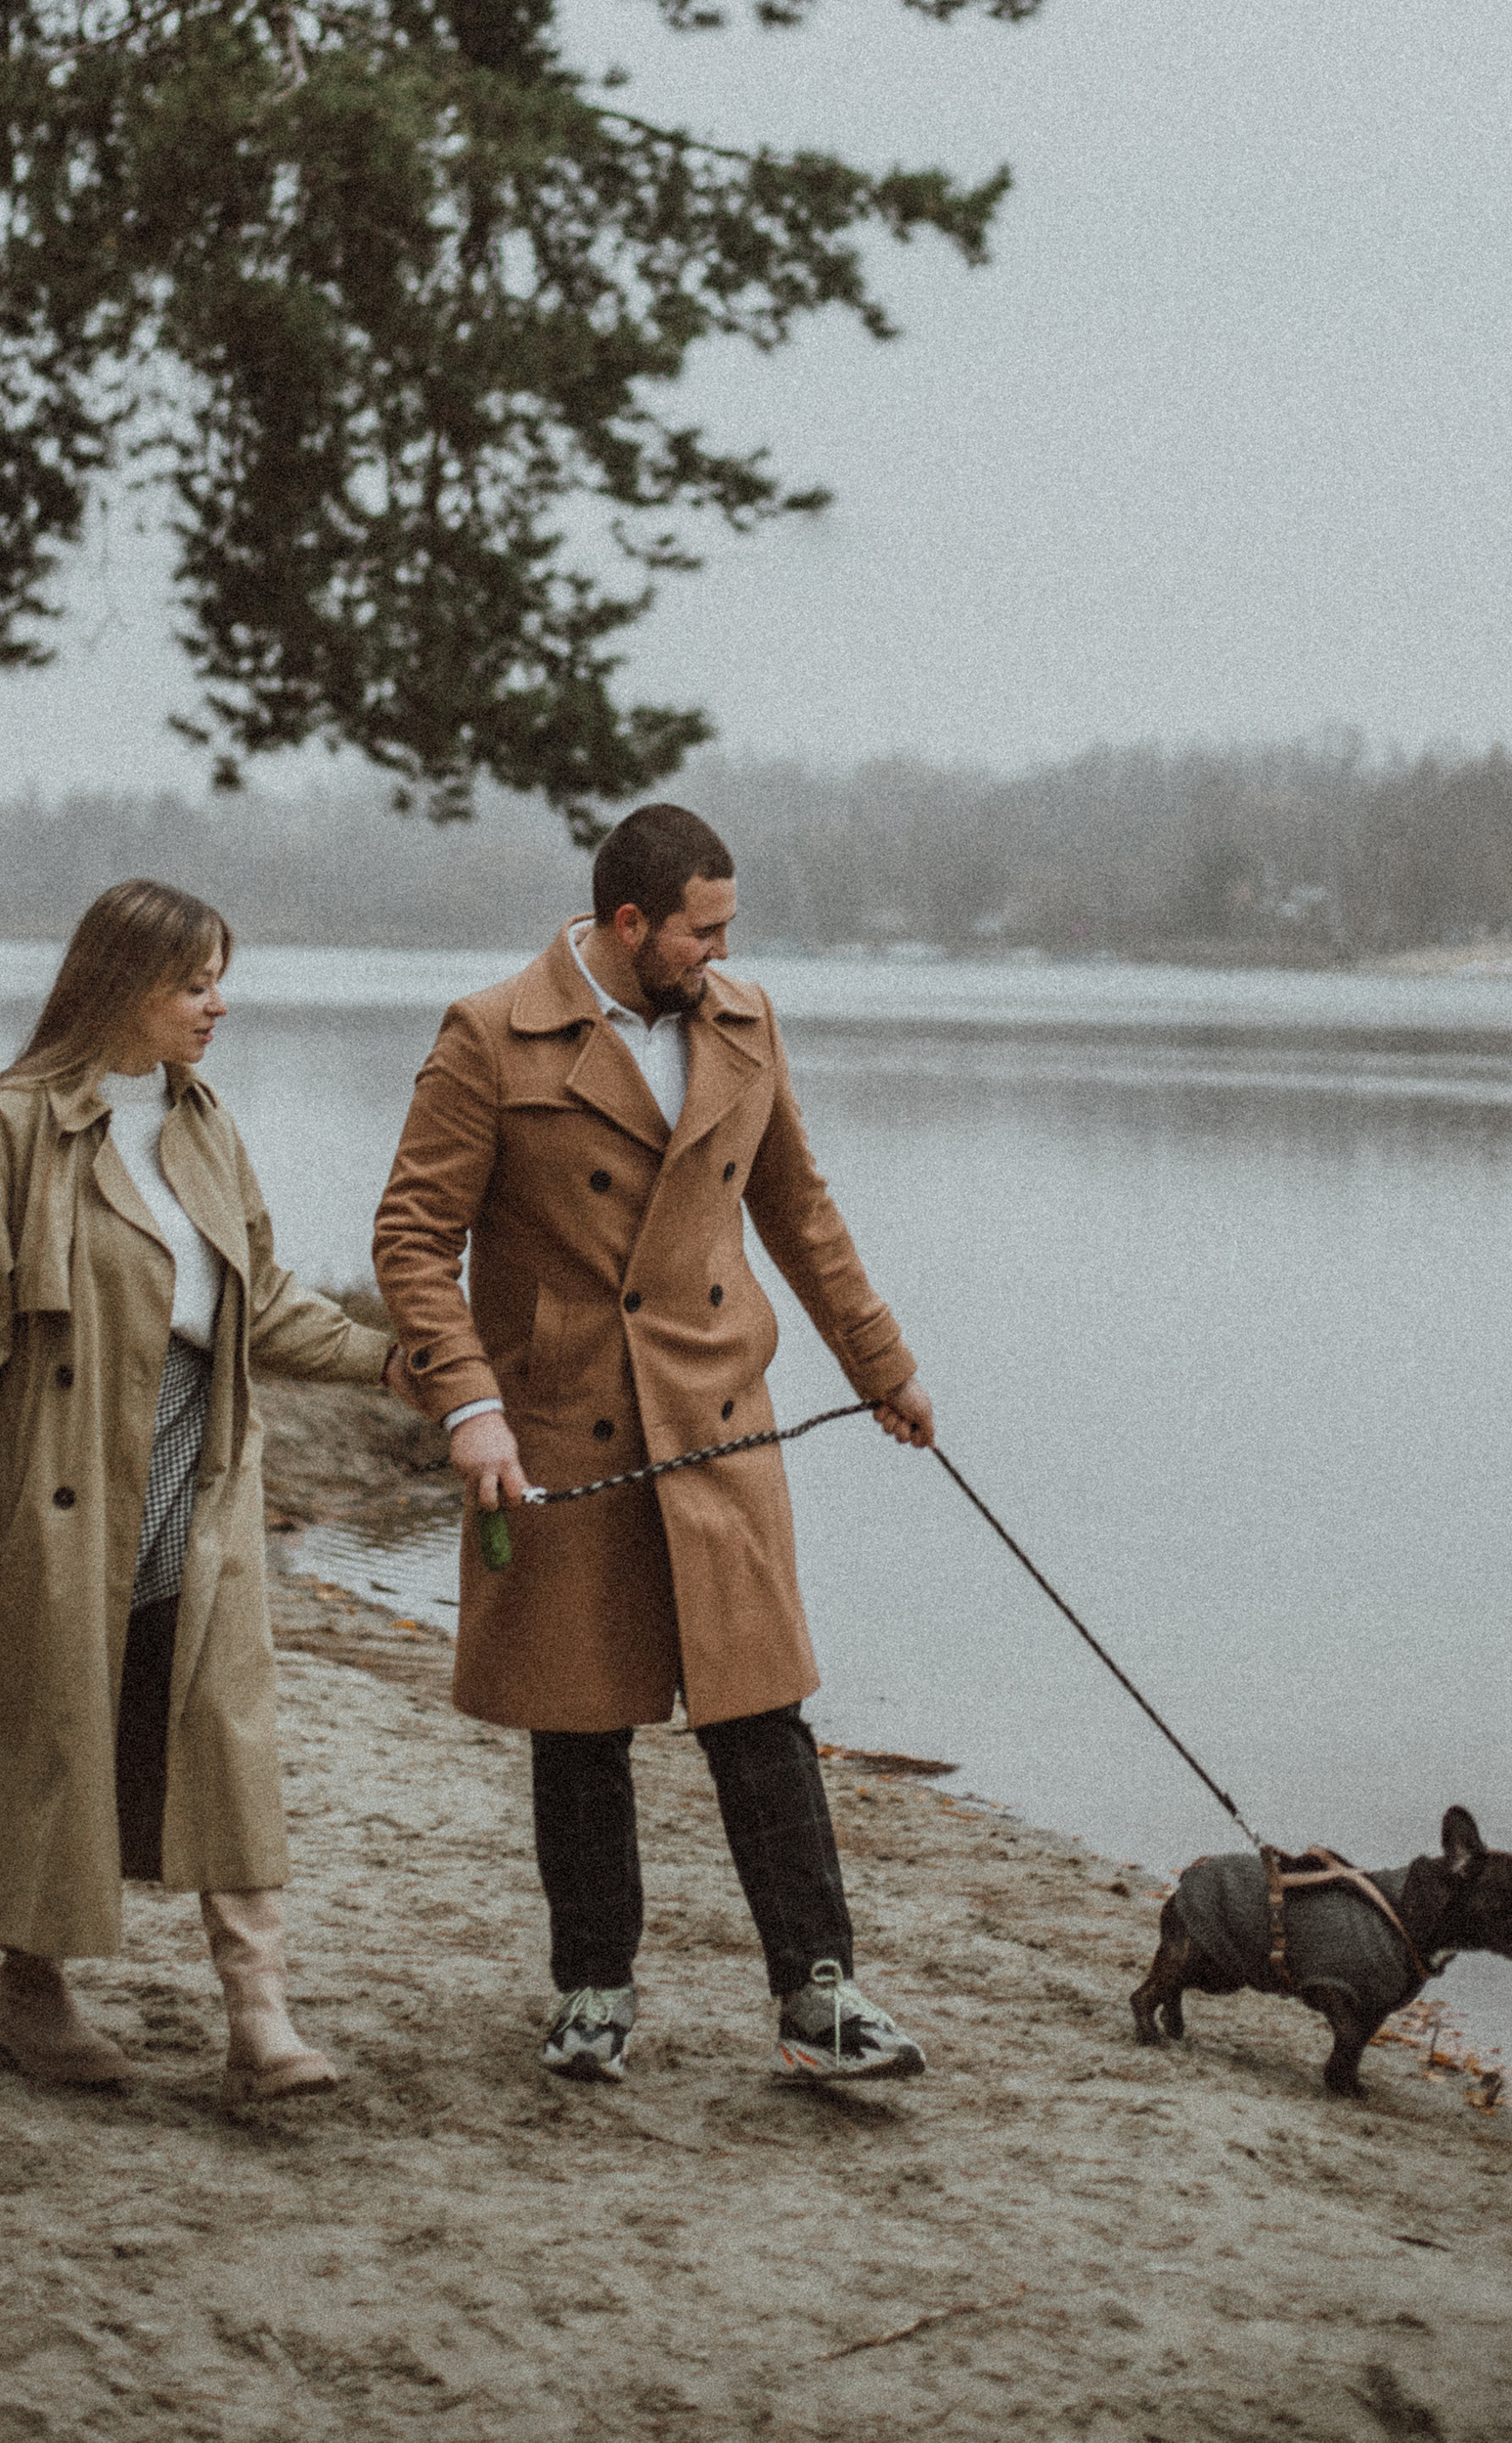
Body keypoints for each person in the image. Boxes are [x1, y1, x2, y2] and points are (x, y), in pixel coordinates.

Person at [374, 801, 935, 2088]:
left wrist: (884, 1365)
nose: (721, 956)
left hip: (721, 1419)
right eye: (703, 931)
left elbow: (798, 1209)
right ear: (631, 925)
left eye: (728, 930)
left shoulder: (743, 1023)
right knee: (579, 1727)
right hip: (562, 1426)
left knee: (764, 1713)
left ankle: (819, 1998)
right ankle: (591, 1991)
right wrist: (471, 1409)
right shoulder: (488, 1035)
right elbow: (413, 1242)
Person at [0, 877, 401, 2104]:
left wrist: (393, 1363)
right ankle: (29, 1991)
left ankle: (260, 2018)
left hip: (199, 1478)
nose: (217, 1005)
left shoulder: (205, 1123)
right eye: (194, 983)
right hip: (55, 1491)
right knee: (57, 1730)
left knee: (226, 1736)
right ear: (122, 986)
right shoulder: (14, 1125)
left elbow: (261, 1299)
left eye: (220, 979)